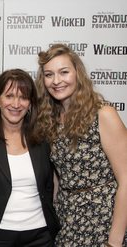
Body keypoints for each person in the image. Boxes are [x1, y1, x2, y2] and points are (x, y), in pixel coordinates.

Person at [35, 43, 127, 246]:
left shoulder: (103, 114)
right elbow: (61, 174)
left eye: (64, 72)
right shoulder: (51, 120)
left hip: (103, 219)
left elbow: (126, 179)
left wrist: (115, 241)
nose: (56, 81)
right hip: (67, 218)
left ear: (78, 73)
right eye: (49, 74)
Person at [0, 69, 60, 247]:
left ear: (30, 104)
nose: (16, 104)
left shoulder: (41, 140)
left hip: (41, 236)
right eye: (9, 96)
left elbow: (47, 188)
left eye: (23, 97)